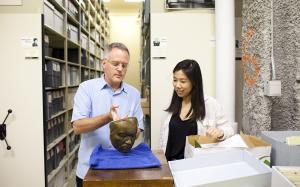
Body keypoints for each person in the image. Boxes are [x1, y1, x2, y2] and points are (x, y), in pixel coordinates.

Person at [71, 42, 144, 187]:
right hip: (90, 171)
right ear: (104, 63)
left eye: (124, 65)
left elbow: (139, 130)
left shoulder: (134, 94)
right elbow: (77, 127)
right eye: (115, 63)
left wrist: (128, 129)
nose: (120, 69)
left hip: (123, 169)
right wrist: (108, 117)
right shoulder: (86, 88)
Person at [159, 59, 234, 161]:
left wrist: (220, 133)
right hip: (169, 166)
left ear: (194, 82)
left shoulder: (210, 104)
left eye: (183, 81)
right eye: (175, 80)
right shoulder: (172, 105)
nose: (177, 85)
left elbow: (229, 130)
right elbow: (164, 139)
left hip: (193, 166)